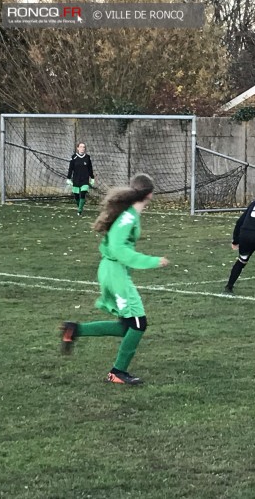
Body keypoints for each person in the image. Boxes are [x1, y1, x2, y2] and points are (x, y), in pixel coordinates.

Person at [59, 173, 169, 385]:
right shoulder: (128, 218)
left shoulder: (130, 214)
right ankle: (117, 372)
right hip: (115, 273)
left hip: (114, 271)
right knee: (139, 323)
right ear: (150, 195)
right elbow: (119, 249)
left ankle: (74, 330)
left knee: (127, 325)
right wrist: (152, 261)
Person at [67, 142, 95, 216]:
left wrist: (92, 178)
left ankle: (79, 210)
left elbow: (90, 168)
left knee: (83, 193)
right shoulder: (74, 157)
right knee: (76, 195)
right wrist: (68, 178)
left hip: (85, 179)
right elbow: (70, 168)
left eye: (84, 147)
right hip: (76, 179)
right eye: (81, 147)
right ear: (78, 148)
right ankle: (80, 205)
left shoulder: (87, 157)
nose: (82, 148)